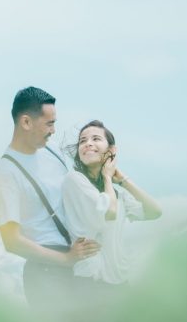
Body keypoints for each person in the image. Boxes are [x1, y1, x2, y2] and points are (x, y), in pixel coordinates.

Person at [0, 87, 101, 308]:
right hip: (46, 274)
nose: (53, 130)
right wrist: (66, 259)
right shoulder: (6, 172)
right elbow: (11, 241)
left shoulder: (51, 150)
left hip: (78, 266)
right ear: (26, 122)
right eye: (49, 123)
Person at [61, 120, 163, 285]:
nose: (88, 144)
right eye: (82, 141)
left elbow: (155, 211)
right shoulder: (74, 180)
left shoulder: (116, 193)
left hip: (120, 280)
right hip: (90, 280)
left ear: (111, 150)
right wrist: (108, 177)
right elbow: (110, 211)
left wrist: (122, 180)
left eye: (96, 139)